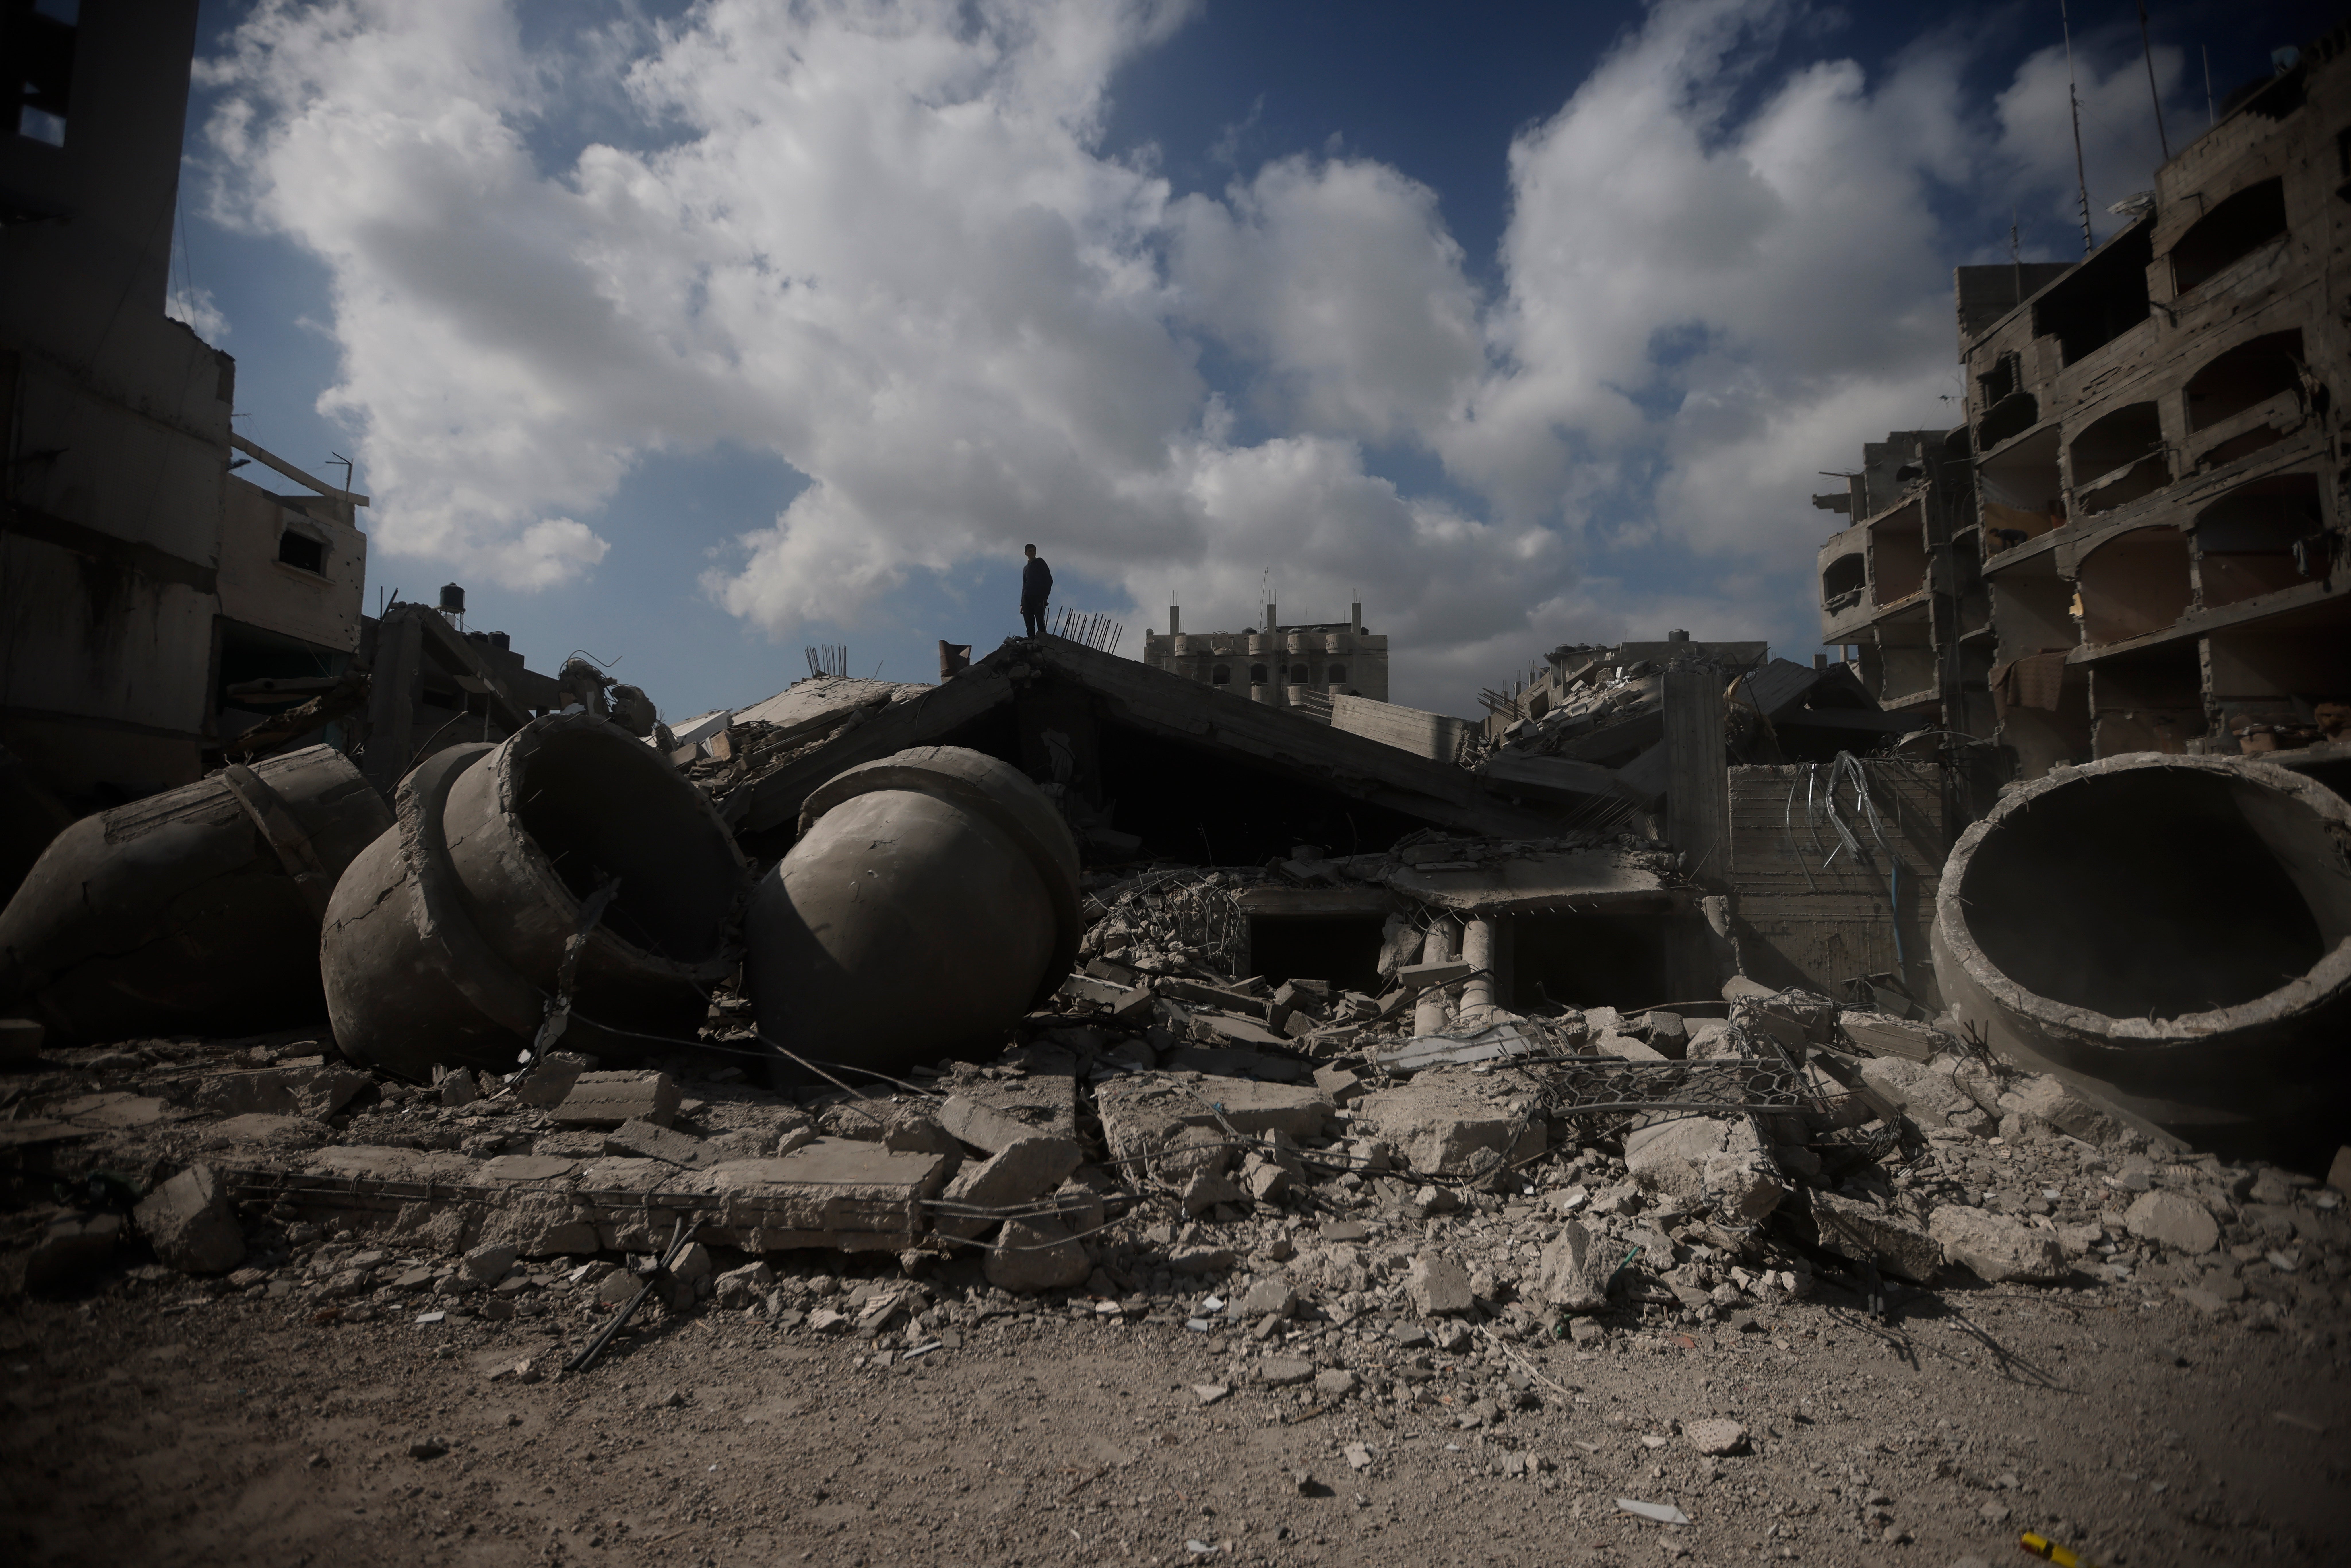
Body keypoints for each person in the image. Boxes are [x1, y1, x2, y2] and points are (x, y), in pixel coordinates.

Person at [1019, 542, 1053, 638]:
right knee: (1029, 624)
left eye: (1034, 550)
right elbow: (1024, 585)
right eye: (1030, 551)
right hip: (1027, 598)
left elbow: (1049, 580)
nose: (1033, 553)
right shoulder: (1026, 568)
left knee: (1040, 622)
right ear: (1026, 553)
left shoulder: (1040, 562)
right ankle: (1031, 641)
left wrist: (1045, 597)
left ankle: (1043, 642)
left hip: (1038, 597)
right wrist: (1022, 603)